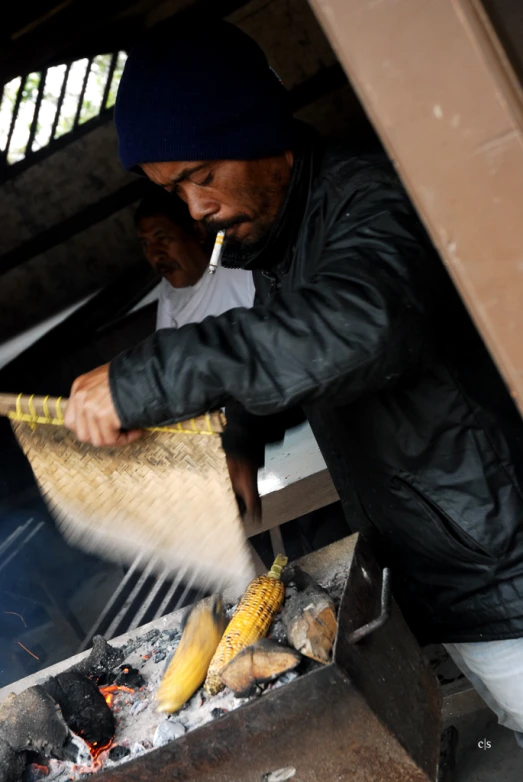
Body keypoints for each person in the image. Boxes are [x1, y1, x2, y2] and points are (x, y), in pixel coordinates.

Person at [63, 22, 523, 744]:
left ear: (262, 135)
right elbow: (296, 348)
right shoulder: (284, 234)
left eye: (202, 174)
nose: (195, 209)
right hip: (450, 561)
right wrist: (242, 439)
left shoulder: (366, 199)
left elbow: (359, 325)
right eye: (175, 190)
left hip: (501, 563)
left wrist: (149, 374)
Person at [135, 190, 255, 329]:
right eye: (146, 243)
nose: (155, 255)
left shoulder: (240, 270)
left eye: (162, 238)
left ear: (198, 231)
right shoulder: (169, 290)